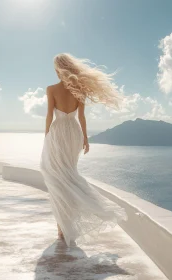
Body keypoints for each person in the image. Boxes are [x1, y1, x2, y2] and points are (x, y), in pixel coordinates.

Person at [40, 53, 127, 246]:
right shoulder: (80, 89)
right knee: (68, 174)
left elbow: (49, 116)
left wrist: (46, 136)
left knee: (56, 177)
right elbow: (82, 118)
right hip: (74, 133)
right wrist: (85, 138)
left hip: (58, 133)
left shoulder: (51, 89)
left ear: (58, 69)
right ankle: (67, 223)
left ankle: (62, 228)